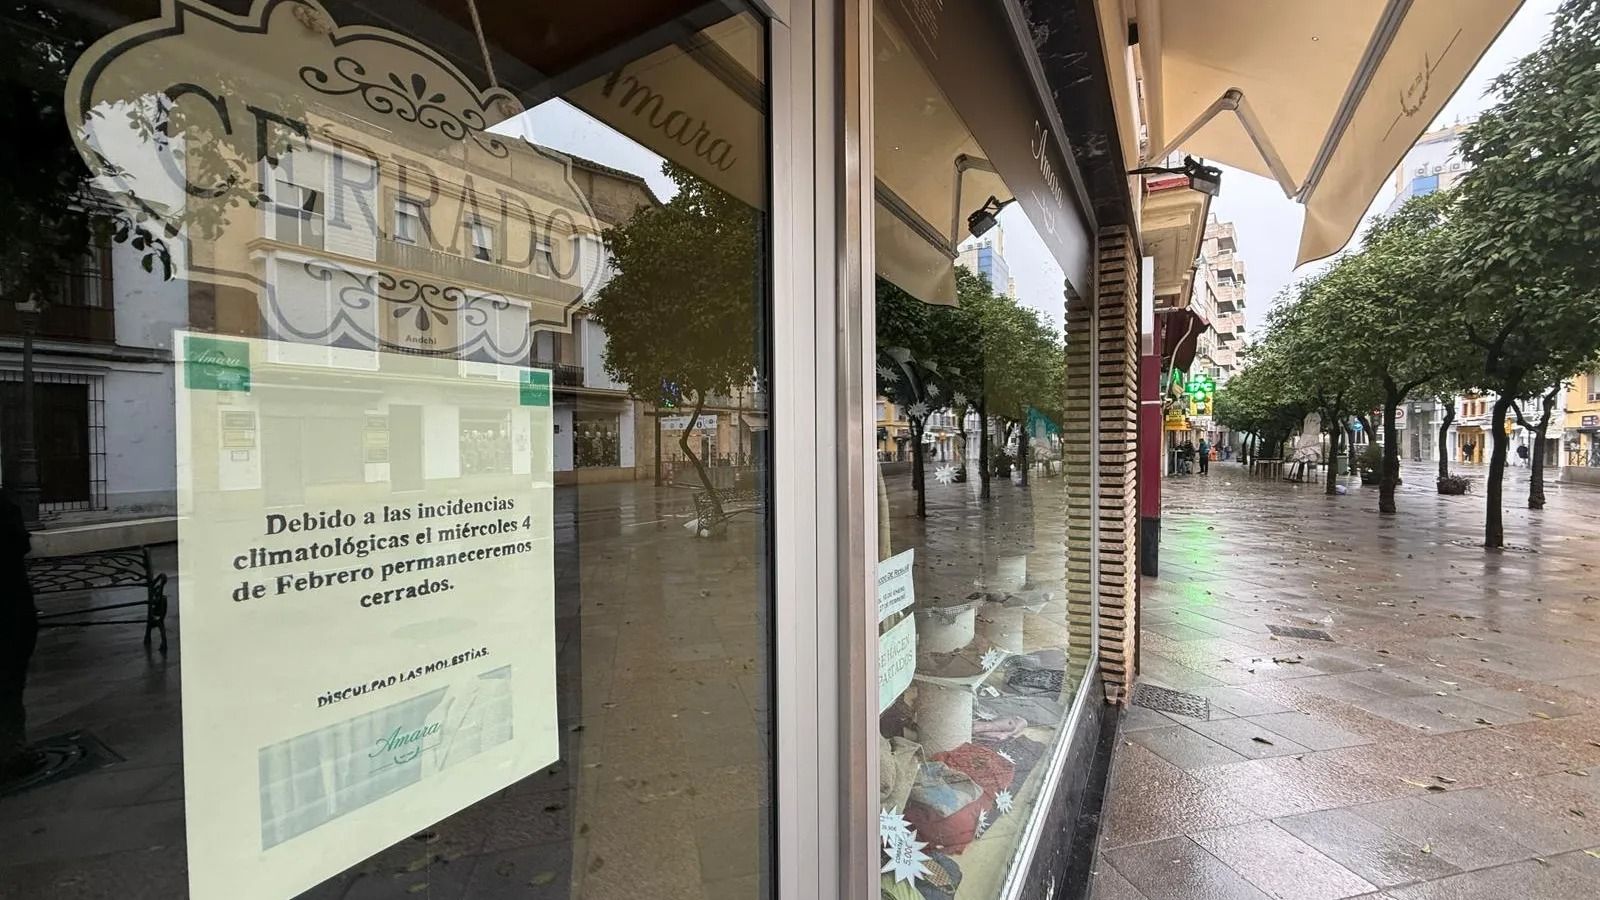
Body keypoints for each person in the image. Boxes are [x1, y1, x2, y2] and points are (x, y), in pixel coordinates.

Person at [0, 489, 40, 782]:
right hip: (12, 615)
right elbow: (20, 543)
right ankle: (12, 754)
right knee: (10, 687)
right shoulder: (5, 508)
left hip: (13, 615)